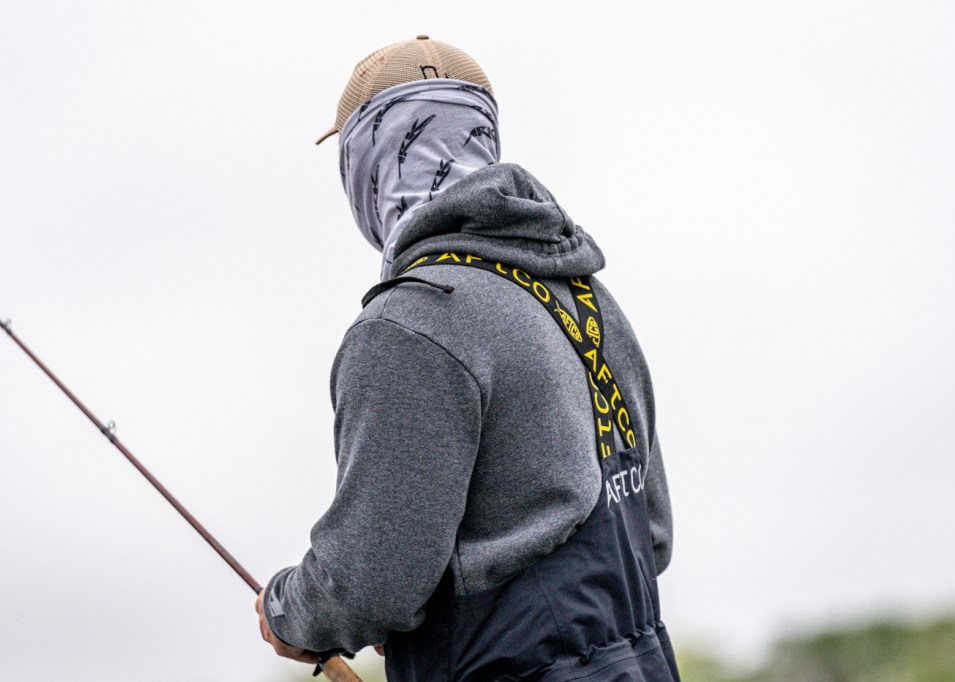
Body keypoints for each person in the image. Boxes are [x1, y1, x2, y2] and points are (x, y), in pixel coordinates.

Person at [255, 35, 680, 681]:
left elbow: (370, 586)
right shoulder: (591, 302)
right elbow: (652, 536)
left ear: (366, 161)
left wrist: (289, 611)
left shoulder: (408, 322)